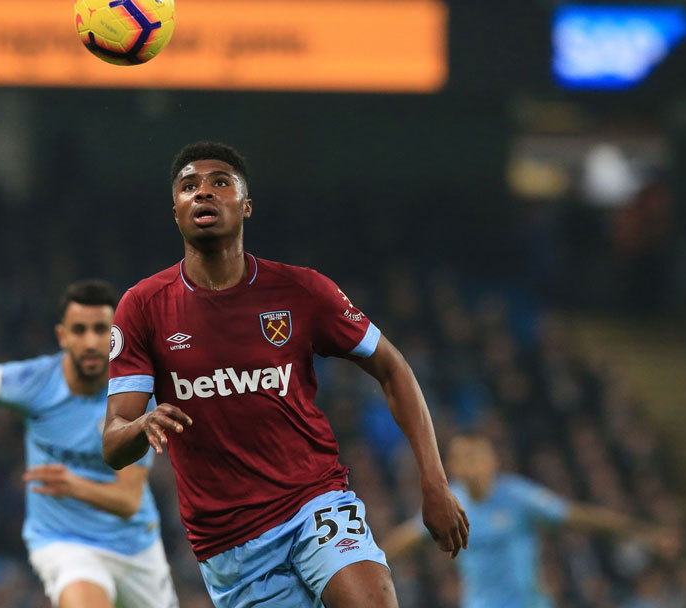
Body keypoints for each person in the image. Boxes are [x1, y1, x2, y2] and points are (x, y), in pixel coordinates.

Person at [103, 141, 470, 608]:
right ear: (175, 211)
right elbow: (113, 443)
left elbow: (392, 367)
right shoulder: (143, 307)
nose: (204, 194)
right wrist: (141, 426)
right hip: (230, 543)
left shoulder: (300, 290)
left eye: (221, 183)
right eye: (189, 186)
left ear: (246, 206)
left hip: (314, 502)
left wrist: (434, 481)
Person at [0, 280, 178, 608]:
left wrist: (73, 485)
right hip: (64, 543)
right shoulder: (36, 382)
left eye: (101, 330)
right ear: (63, 336)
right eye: (79, 330)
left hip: (135, 547)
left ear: (116, 336)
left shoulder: (133, 398)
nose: (90, 342)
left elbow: (128, 500)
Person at [382, 434, 677, 608]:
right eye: (465, 458)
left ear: (493, 462)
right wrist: (363, 567)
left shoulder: (518, 496)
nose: (473, 466)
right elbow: (406, 539)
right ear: (454, 467)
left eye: (478, 457)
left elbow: (581, 517)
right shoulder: (448, 506)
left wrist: (644, 533)